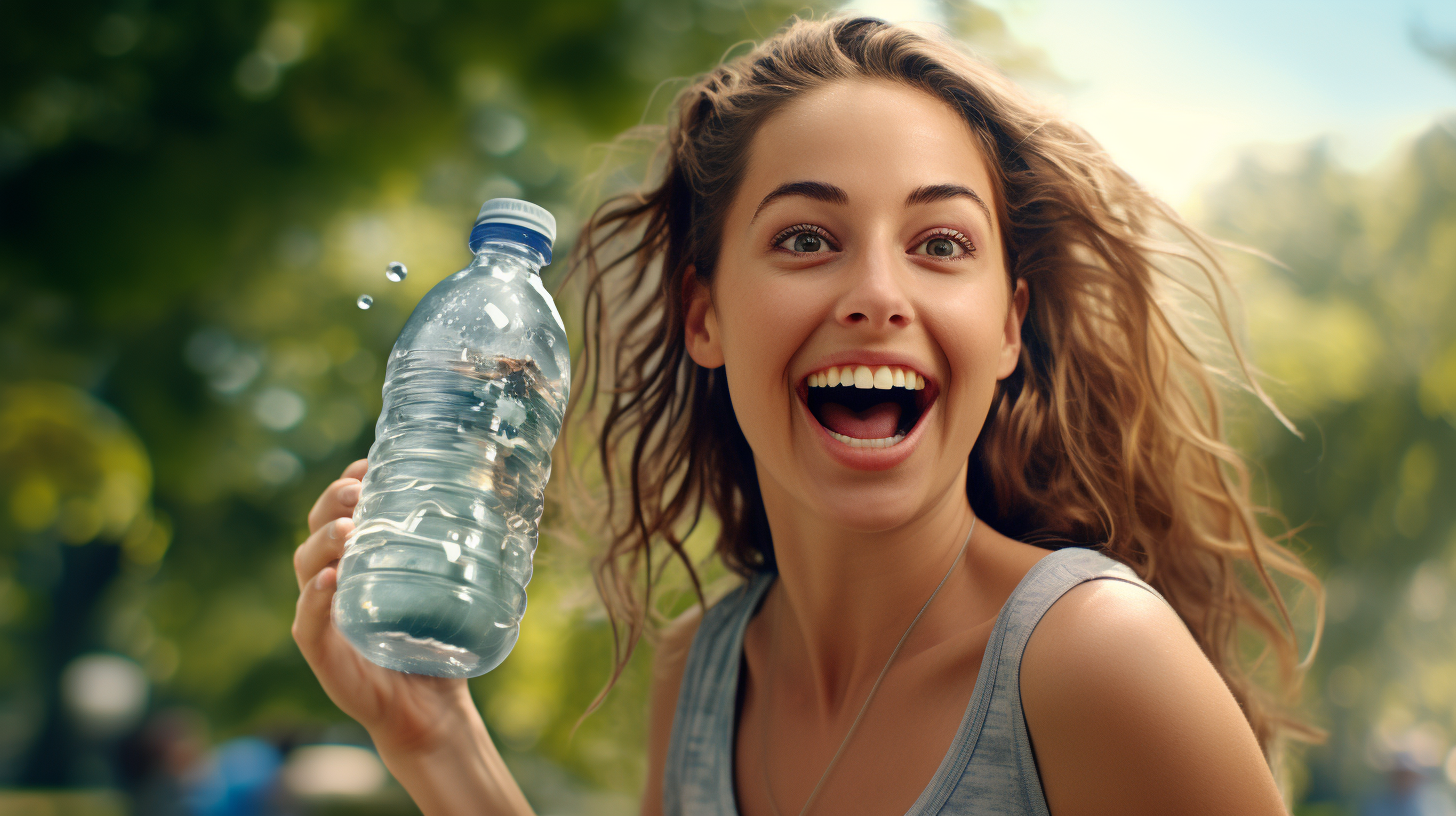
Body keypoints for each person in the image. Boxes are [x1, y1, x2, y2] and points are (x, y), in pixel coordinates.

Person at [291, 15, 1325, 816]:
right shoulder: (702, 674)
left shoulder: (1095, 656)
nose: (876, 292)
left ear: (1008, 327)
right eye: (805, 240)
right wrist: (436, 744)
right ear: (705, 315)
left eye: (939, 245)